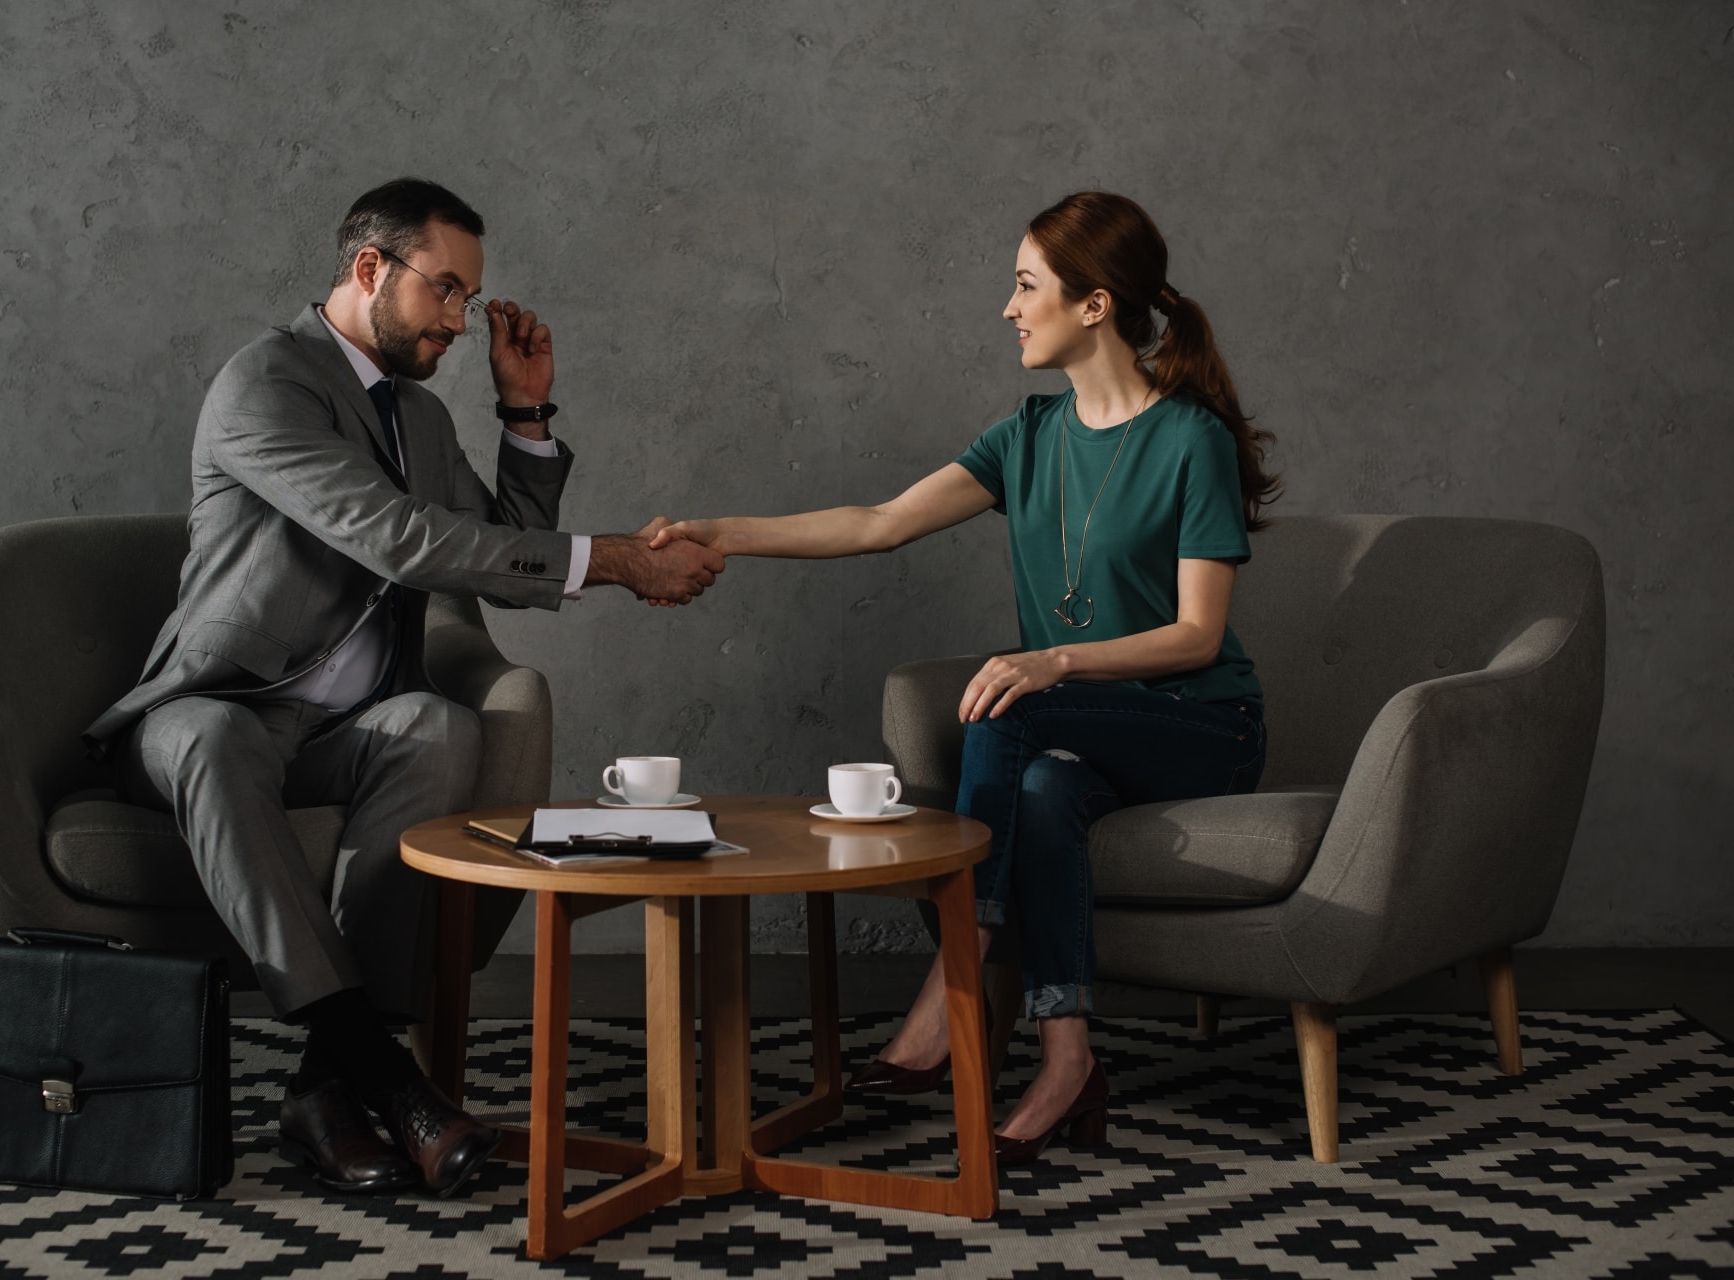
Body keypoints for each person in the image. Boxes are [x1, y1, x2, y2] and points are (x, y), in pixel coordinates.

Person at [82, 178, 725, 1198]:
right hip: (213, 710)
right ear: (371, 268)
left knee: (433, 724)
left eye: (472, 298)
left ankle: (322, 1090)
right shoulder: (266, 383)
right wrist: (611, 560)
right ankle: (392, 1078)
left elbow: (495, 538)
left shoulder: (418, 418)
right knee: (212, 739)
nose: (463, 322)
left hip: (343, 726)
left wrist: (525, 412)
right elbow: (401, 537)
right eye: (448, 292)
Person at [651, 191, 1280, 1167]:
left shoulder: (1187, 439)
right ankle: (1070, 1059)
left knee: (1012, 706)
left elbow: (1199, 636)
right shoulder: (1026, 437)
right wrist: (720, 532)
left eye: (1026, 285)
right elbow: (876, 521)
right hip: (1078, 736)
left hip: (1201, 727)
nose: (1008, 306)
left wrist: (1054, 658)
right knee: (1040, 784)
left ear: (1095, 305)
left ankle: (950, 993)